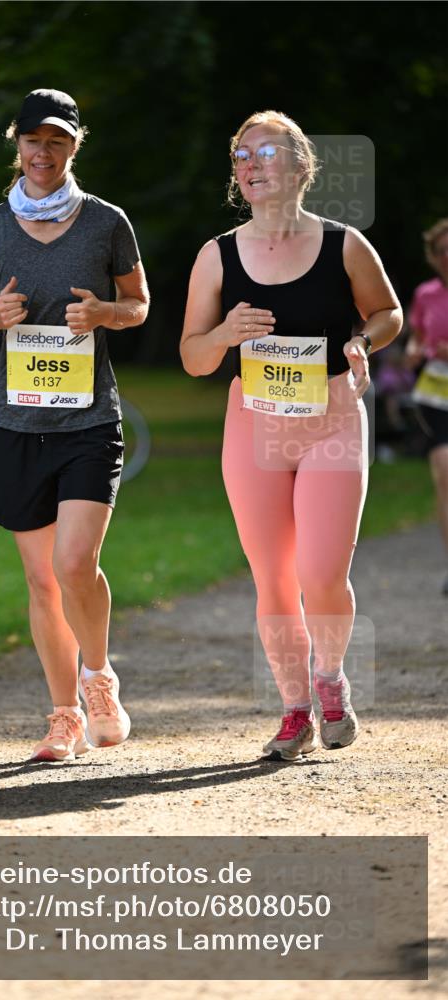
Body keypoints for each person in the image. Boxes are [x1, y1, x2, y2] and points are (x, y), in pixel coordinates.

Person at [180, 110, 402, 761]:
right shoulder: (216, 255)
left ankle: (329, 678)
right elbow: (192, 355)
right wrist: (223, 335)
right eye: (240, 156)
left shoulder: (344, 245)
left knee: (321, 572)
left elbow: (385, 313)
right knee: (273, 580)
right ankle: (293, 710)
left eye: (265, 153)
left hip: (330, 416)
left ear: (300, 166)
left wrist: (362, 340)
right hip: (253, 424)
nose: (249, 165)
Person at [0, 89, 149, 761]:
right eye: (32, 140)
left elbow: (139, 304)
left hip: (89, 420)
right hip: (17, 426)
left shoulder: (105, 222)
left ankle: (98, 676)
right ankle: (63, 715)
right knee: (40, 581)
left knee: (74, 563)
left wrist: (104, 315)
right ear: (17, 145)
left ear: (74, 147)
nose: (42, 152)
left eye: (56, 140)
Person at [405, 219, 448, 594]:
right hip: (437, 392)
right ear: (433, 257)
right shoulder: (425, 295)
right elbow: (417, 339)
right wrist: (415, 351)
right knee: (444, 473)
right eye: (442, 251)